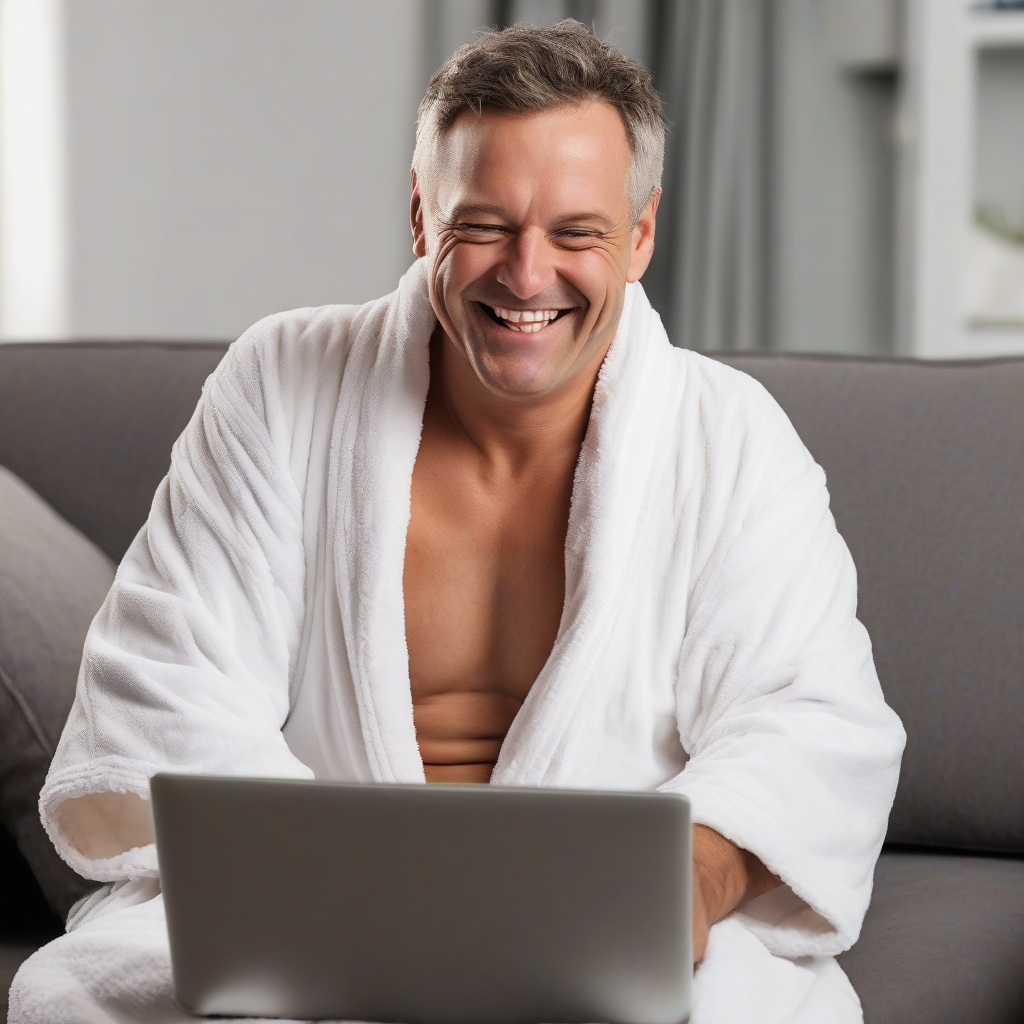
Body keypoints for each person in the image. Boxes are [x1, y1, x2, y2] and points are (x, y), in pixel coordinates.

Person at [10, 20, 904, 1024]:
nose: (526, 276)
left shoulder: (728, 436)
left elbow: (807, 721)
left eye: (576, 234)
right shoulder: (280, 385)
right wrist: (326, 904)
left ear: (640, 234)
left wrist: (687, 881)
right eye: (484, 224)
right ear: (420, 216)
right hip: (315, 906)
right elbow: (169, 683)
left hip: (599, 928)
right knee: (71, 997)